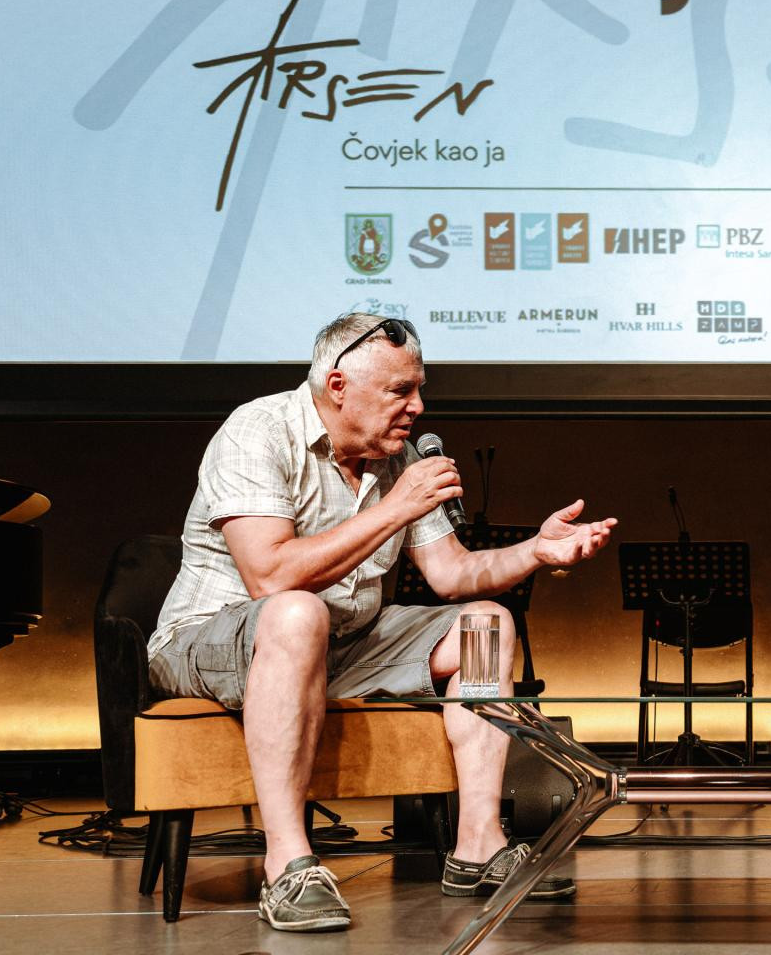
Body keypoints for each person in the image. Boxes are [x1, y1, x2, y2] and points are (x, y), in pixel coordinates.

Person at [147, 313, 615, 932]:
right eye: (401, 390)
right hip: (213, 640)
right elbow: (270, 577)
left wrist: (536, 550)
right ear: (338, 385)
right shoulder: (257, 430)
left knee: (485, 626)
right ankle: (288, 865)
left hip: (343, 639)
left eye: (419, 389)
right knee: (297, 611)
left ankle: (478, 844)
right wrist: (397, 507)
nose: (417, 406)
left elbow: (453, 575)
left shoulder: (394, 459)